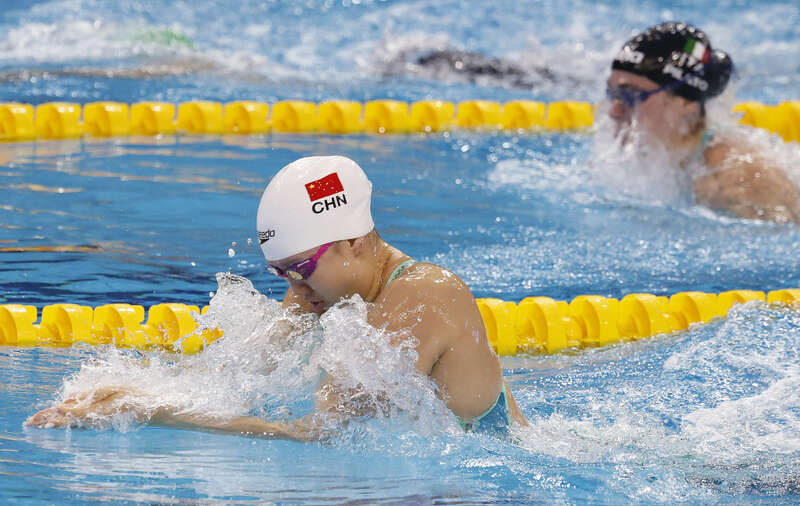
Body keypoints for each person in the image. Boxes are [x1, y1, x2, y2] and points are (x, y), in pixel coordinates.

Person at [26, 155, 528, 440]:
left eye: (302, 270)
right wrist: (125, 391)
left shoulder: (423, 296)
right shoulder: (319, 293)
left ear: (353, 243)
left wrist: (156, 413)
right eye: (281, 273)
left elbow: (320, 434)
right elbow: (230, 376)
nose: (295, 290)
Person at [606, 21, 800, 223]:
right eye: (612, 94)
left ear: (687, 102)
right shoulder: (671, 157)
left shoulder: (732, 183)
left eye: (632, 95)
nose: (614, 111)